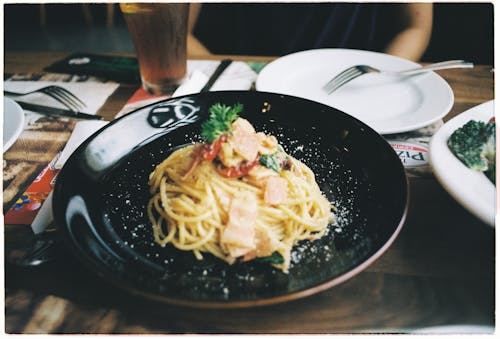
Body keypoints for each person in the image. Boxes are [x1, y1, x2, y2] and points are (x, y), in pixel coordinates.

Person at [187, 2, 433, 62]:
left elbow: (414, 27)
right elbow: (175, 35)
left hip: (352, 88)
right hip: (245, 86)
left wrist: (380, 78)